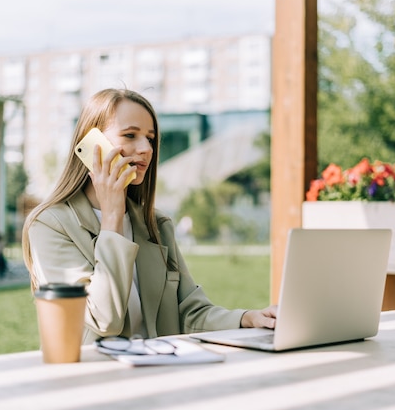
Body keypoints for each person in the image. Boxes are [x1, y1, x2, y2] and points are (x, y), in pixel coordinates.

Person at [22, 88, 277, 344]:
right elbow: (103, 318)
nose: (146, 148)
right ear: (92, 144)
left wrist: (247, 318)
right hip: (96, 378)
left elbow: (191, 312)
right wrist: (112, 220)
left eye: (151, 138)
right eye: (130, 135)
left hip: (161, 369)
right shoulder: (49, 224)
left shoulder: (157, 225)